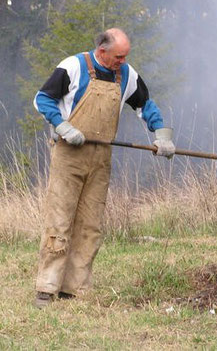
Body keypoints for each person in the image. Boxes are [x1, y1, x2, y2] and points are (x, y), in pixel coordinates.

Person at [32, 28, 175, 308]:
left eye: (125, 56)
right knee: (60, 220)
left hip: (101, 159)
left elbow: (145, 105)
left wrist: (162, 135)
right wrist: (62, 126)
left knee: (90, 225)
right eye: (118, 56)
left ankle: (74, 288)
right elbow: (42, 99)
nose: (122, 61)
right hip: (68, 156)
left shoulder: (127, 75)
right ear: (102, 51)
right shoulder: (73, 67)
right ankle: (47, 288)